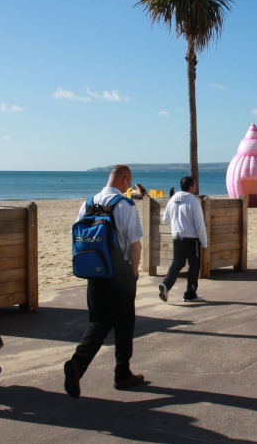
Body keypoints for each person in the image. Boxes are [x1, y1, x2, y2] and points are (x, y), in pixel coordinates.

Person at [64, 165, 144, 399]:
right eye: (128, 183)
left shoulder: (87, 203)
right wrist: (135, 272)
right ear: (124, 180)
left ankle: (77, 364)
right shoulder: (125, 205)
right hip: (119, 273)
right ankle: (122, 374)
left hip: (93, 272)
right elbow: (135, 244)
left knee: (98, 322)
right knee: (124, 323)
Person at [159, 176, 208, 303]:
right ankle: (190, 293)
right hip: (192, 239)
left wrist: (177, 221)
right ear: (191, 187)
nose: (196, 187)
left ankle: (166, 285)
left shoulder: (173, 200)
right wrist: (204, 243)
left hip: (177, 236)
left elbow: (165, 219)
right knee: (194, 265)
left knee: (177, 263)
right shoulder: (194, 202)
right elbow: (200, 225)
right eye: (195, 185)